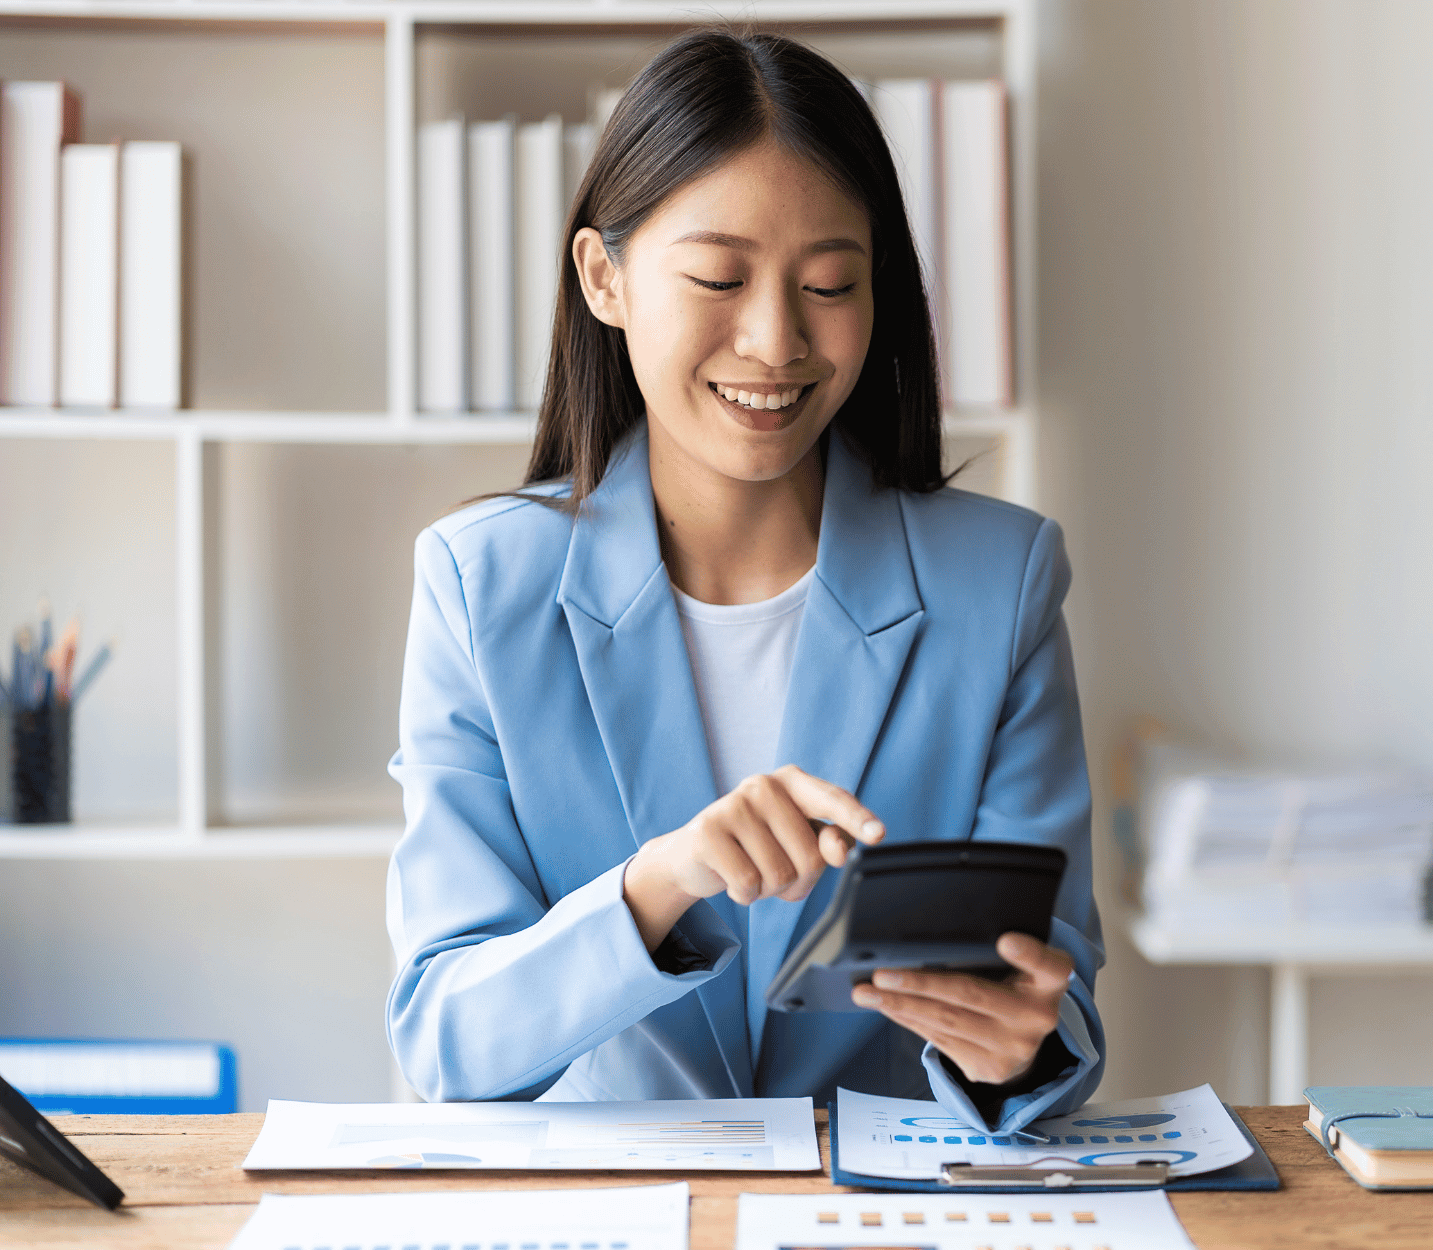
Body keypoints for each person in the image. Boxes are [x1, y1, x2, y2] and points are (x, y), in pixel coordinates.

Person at [385, 30, 1102, 1134]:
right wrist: (658, 884)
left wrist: (1020, 1044)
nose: (775, 339)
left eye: (830, 283)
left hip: (887, 1207)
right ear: (604, 277)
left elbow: (1062, 1007)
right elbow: (444, 1033)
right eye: (719, 277)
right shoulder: (479, 585)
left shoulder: (998, 583)